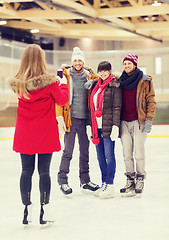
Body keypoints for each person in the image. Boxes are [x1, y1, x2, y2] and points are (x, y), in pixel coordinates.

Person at [8, 44, 69, 226]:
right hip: (45, 133)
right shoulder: (50, 84)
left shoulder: (18, 86)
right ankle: (45, 209)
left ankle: (27, 209)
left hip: (25, 133)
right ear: (42, 60)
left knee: (26, 171)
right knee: (44, 172)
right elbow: (63, 99)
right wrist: (63, 83)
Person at [56, 47, 99, 195]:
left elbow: (101, 79)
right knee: (68, 151)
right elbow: (58, 97)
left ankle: (85, 181)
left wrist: (93, 81)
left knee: (85, 151)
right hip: (71, 118)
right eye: (75, 60)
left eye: (80, 60)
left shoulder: (88, 75)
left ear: (83, 62)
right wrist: (60, 117)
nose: (77, 63)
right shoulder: (65, 75)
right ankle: (63, 181)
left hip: (85, 120)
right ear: (72, 62)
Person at [119, 54, 156, 196]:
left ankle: (140, 179)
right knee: (126, 154)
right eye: (125, 64)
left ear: (134, 64)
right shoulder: (120, 80)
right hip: (123, 122)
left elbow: (151, 101)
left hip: (138, 122)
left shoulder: (145, 80)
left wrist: (149, 119)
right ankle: (130, 179)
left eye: (129, 63)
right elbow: (103, 79)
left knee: (139, 153)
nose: (127, 66)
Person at [88, 61, 122, 199]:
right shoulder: (96, 86)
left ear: (110, 71)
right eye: (100, 71)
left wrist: (115, 126)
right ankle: (104, 183)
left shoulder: (115, 85)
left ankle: (110, 183)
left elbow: (117, 107)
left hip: (108, 126)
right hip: (97, 127)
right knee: (100, 157)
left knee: (109, 156)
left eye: (105, 70)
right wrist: (90, 125)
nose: (102, 73)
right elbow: (91, 107)